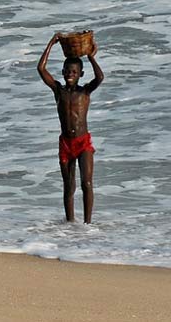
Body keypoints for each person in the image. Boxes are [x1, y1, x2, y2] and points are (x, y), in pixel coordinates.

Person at [37, 33, 104, 224]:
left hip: (83, 143)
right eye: (67, 71)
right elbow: (40, 68)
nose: (70, 74)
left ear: (80, 74)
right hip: (66, 143)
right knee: (68, 186)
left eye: (74, 72)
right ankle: (70, 225)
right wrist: (51, 42)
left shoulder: (85, 91)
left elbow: (100, 77)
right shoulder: (58, 91)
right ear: (63, 72)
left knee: (87, 183)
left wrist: (91, 57)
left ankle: (88, 224)